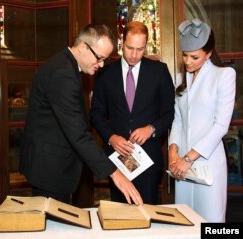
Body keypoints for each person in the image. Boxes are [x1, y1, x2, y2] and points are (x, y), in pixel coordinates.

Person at [19, 24, 143, 206]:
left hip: (52, 165)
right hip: (49, 169)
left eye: (104, 60)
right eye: (99, 58)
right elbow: (78, 134)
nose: (101, 65)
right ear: (83, 46)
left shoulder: (66, 65)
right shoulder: (63, 73)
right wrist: (115, 173)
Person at [90, 21, 175, 204]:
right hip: (117, 162)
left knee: (147, 217)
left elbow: (169, 114)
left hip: (148, 161)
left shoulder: (159, 71)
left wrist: (151, 129)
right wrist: (110, 137)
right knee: (120, 220)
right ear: (122, 42)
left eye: (140, 49)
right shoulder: (105, 73)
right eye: (130, 48)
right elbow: (96, 114)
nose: (135, 55)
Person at [168, 19, 236, 222]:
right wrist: (173, 152)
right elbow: (178, 120)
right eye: (185, 55)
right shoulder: (180, 79)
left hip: (207, 163)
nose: (188, 61)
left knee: (211, 221)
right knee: (185, 222)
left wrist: (188, 158)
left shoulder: (224, 75)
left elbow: (221, 125)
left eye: (194, 56)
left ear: (208, 53)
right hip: (181, 166)